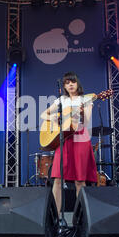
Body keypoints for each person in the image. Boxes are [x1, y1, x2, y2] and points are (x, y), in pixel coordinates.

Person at [40, 72, 98, 217]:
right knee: (58, 179)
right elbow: (43, 115)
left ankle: (82, 218)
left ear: (77, 83)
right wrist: (54, 117)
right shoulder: (62, 100)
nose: (70, 84)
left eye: (72, 82)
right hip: (64, 139)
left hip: (80, 138)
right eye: (67, 83)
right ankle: (55, 217)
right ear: (64, 86)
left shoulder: (86, 99)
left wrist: (82, 113)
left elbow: (86, 122)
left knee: (80, 180)